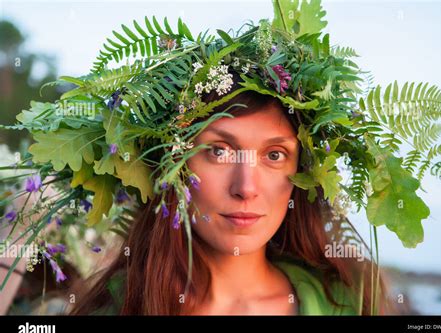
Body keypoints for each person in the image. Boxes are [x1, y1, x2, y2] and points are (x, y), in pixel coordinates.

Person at [68, 73, 387, 316]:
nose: (246, 188)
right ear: (172, 165)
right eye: (219, 151)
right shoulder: (116, 308)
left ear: (302, 175)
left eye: (274, 155)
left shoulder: (350, 305)